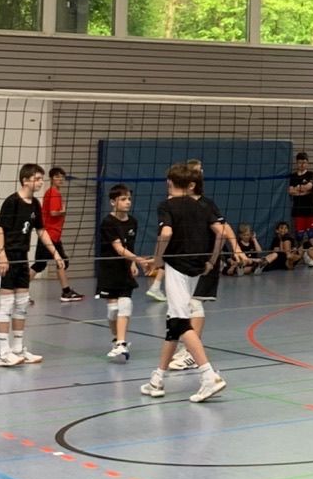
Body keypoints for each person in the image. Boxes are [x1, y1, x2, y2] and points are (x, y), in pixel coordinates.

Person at [142, 163, 227, 402]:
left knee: (180, 322)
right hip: (197, 268)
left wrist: (157, 260)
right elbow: (221, 233)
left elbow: (166, 234)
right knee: (174, 321)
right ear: (189, 184)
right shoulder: (201, 205)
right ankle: (157, 379)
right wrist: (212, 261)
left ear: (169, 182)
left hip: (177, 267)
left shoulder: (167, 205)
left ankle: (209, 376)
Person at [169, 160, 242, 373]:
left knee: (194, 303)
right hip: (183, 261)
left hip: (204, 261)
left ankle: (191, 353)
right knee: (181, 306)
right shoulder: (176, 203)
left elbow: (223, 228)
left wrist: (235, 248)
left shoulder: (205, 204)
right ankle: (187, 347)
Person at [0, 164, 45, 368]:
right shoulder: (12, 202)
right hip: (7, 256)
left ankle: (18, 348)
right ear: (25, 180)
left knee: (22, 304)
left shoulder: (35, 204)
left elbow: (41, 230)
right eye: (37, 179)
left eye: (41, 179)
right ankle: (3, 352)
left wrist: (56, 253)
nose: (40, 182)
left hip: (22, 257)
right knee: (6, 304)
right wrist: (1, 256)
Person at [96, 184, 140, 362]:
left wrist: (133, 263)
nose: (127, 202)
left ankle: (121, 342)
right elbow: (119, 248)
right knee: (113, 310)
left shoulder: (133, 222)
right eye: (123, 199)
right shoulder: (108, 222)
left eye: (129, 198)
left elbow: (130, 246)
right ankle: (117, 340)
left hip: (125, 270)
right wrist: (139, 259)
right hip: (109, 269)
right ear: (113, 202)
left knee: (126, 304)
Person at [36, 166, 85, 302]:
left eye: (62, 177)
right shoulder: (54, 193)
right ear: (51, 178)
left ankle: (66, 291)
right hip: (49, 235)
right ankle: (21, 290)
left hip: (52, 234)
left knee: (59, 262)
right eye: (57, 176)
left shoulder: (52, 192)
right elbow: (53, 213)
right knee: (42, 265)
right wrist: (63, 211)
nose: (60, 179)